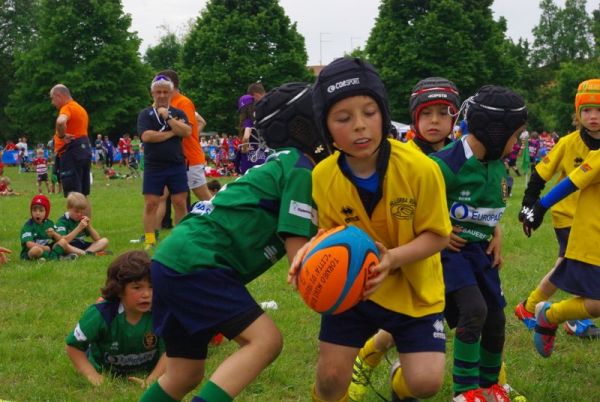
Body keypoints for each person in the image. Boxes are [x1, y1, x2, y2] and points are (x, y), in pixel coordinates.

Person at [139, 82, 330, 402]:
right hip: (200, 262)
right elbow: (300, 256)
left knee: (185, 373)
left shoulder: (286, 162)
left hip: (173, 257)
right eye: (330, 118)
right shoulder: (301, 168)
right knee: (266, 342)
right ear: (304, 125)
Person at [291, 57, 452, 402]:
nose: (360, 126)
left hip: (414, 288)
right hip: (354, 291)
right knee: (332, 379)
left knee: (424, 384)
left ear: (383, 112)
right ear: (326, 127)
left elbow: (438, 236)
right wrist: (309, 251)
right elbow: (330, 234)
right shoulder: (322, 176)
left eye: (369, 112)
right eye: (343, 118)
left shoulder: (421, 169)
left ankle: (396, 379)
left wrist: (392, 258)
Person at [347, 76, 460, 402]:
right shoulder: (402, 159)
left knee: (477, 314)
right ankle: (371, 353)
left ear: (455, 117)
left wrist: (493, 229)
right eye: (427, 114)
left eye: (443, 112)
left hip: (459, 255)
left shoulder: (462, 154)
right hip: (413, 260)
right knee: (420, 320)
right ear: (414, 118)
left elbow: (477, 197)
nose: (435, 121)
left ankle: (487, 384)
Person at [429, 85, 527, 402]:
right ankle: (465, 390)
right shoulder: (445, 164)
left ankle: (490, 385)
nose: (517, 144)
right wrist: (440, 232)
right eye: (516, 136)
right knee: (474, 311)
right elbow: (418, 208)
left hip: (480, 251)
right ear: (495, 133)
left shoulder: (497, 165)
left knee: (496, 317)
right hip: (450, 253)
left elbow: (487, 209)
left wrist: (495, 231)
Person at [515, 78, 600, 339]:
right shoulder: (567, 142)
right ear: (577, 114)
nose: (594, 116)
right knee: (570, 267)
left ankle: (551, 312)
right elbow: (541, 174)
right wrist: (530, 205)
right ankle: (533, 309)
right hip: (567, 216)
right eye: (587, 110)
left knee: (572, 268)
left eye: (599, 110)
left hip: (591, 220)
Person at [521, 147, 600, 358]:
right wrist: (539, 206)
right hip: (593, 241)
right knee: (596, 304)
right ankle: (550, 314)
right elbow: (572, 182)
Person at [65, 250, 166, 386]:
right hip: (104, 368)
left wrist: (152, 380)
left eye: (152, 287)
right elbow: (73, 346)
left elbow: (170, 352)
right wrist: (92, 375)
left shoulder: (161, 313)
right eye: (137, 287)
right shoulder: (101, 314)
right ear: (119, 290)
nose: (146, 294)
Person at [137, 74, 191, 250]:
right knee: (151, 203)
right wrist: (171, 132)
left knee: (180, 202)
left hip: (176, 164)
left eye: (165, 92)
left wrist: (168, 118)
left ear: (170, 93)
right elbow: (147, 136)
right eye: (158, 92)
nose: (161, 95)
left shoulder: (178, 113)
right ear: (152, 93)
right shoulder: (145, 114)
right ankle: (150, 239)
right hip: (154, 166)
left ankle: (180, 237)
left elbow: (186, 131)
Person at [155, 69, 212, 233]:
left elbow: (186, 130)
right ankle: (153, 235)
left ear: (170, 85)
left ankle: (224, 221)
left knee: (203, 195)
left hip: (190, 158)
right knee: (162, 196)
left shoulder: (184, 102)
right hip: (174, 159)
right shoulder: (167, 104)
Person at [49, 84, 92, 197]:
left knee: (73, 195)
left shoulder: (67, 107)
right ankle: (86, 216)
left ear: (59, 95)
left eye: (52, 99)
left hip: (72, 153)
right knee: (83, 195)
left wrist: (62, 136)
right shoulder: (80, 109)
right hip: (84, 150)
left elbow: (60, 121)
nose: (52, 103)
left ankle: (73, 215)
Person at [20, 194, 77, 261]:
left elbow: (60, 239)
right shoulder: (28, 225)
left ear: (46, 212)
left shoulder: (49, 223)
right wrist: (46, 248)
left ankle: (46, 258)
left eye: (41, 210)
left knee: (63, 242)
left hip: (47, 250)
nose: (37, 213)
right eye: (34, 210)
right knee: (36, 250)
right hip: (32, 251)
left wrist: (54, 234)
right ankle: (58, 258)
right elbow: (29, 244)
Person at [55, 191, 109, 256]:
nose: (79, 214)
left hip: (81, 245)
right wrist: (79, 228)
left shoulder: (81, 220)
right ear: (68, 208)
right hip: (70, 246)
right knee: (62, 244)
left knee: (104, 241)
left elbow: (97, 239)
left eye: (82, 212)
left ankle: (85, 253)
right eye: (76, 211)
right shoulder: (62, 221)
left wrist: (89, 226)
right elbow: (64, 240)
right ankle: (88, 254)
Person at [237, 94, 267, 174]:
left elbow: (246, 136)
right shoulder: (259, 119)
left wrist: (244, 149)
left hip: (250, 156)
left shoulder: (247, 121)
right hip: (262, 154)